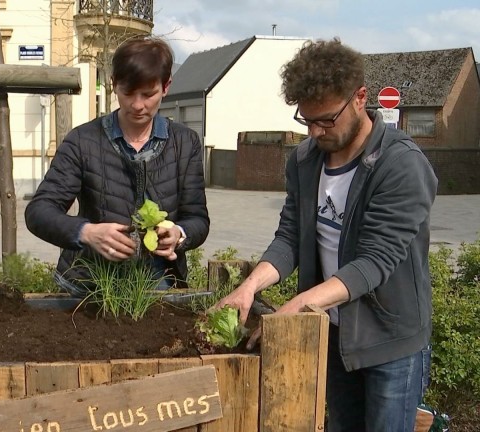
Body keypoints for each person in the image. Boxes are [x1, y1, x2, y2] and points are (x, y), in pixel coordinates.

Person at [214, 38, 437, 432]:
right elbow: (289, 238)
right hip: (335, 335)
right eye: (307, 120)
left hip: (391, 342)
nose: (315, 131)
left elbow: (373, 262)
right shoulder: (304, 160)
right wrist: (250, 286)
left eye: (326, 120)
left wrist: (297, 305)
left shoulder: (401, 165)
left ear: (360, 98)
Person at [25, 36, 209, 298]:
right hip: (87, 287)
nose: (137, 104)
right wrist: (86, 232)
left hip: (159, 285)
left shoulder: (184, 143)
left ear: (166, 86)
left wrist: (179, 234)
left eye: (148, 94)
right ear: (113, 85)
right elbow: (38, 212)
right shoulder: (83, 141)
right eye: (127, 92)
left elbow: (198, 219)